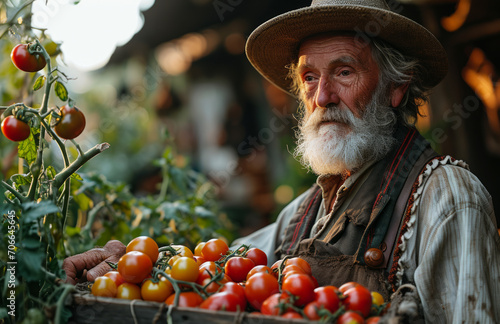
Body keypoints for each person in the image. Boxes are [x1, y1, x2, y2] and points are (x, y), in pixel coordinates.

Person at [63, 0, 500, 322]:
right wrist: (118, 264)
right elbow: (213, 272)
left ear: (395, 88)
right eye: (310, 77)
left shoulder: (447, 199)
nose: (323, 97)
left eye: (344, 72)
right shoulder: (303, 213)